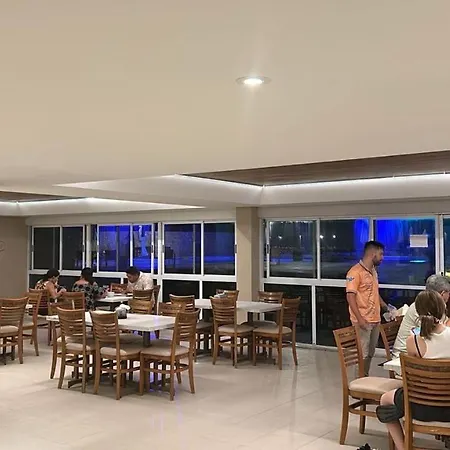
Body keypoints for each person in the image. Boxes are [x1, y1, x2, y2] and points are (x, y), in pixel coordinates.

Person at [377, 290, 450, 450]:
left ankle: (403, 447)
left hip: (420, 406)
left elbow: (412, 378)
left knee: (385, 400)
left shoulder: (414, 341)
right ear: (443, 308)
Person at [346, 241, 388, 376]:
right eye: (381, 254)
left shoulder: (373, 271)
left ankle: (365, 377)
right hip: (362, 320)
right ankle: (358, 382)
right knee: (362, 355)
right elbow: (350, 297)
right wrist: (360, 319)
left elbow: (375, 292)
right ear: (372, 254)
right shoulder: (355, 272)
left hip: (375, 319)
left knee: (370, 354)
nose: (382, 258)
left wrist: (386, 307)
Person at [392, 274, 450, 357]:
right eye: (449, 293)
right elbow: (434, 332)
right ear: (442, 294)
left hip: (424, 351)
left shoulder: (435, 305)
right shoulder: (420, 307)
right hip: (405, 355)